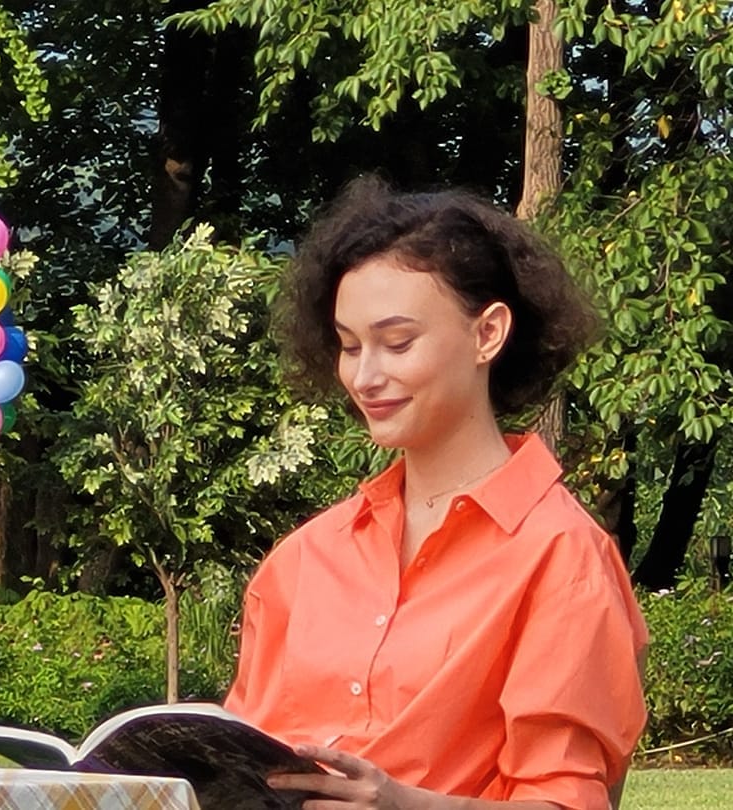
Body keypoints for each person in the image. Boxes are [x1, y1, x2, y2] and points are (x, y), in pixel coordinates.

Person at [225, 178, 647, 809]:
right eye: (348, 346)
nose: (366, 376)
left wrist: (401, 803)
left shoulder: (561, 555)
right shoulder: (304, 559)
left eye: (398, 343)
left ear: (488, 334)